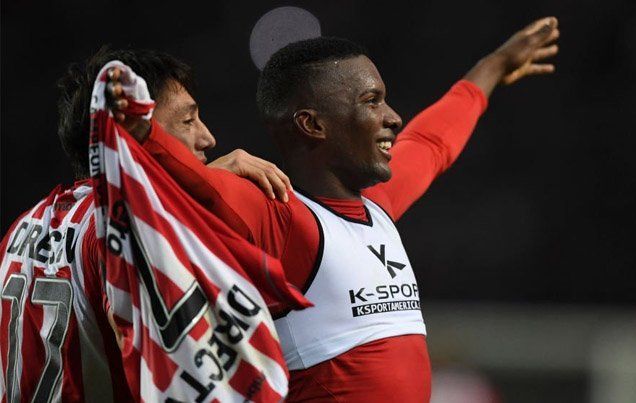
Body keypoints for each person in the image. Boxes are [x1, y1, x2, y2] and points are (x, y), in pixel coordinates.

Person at [111, 17, 560, 401]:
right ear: (312, 124)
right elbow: (177, 190)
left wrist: (493, 67)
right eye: (371, 101)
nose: (393, 117)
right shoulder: (280, 216)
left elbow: (431, 143)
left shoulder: (376, 206)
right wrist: (138, 132)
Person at [0, 48, 296, 402]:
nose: (208, 138)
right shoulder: (123, 229)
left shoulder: (20, 228)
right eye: (187, 121)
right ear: (133, 130)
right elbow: (163, 364)